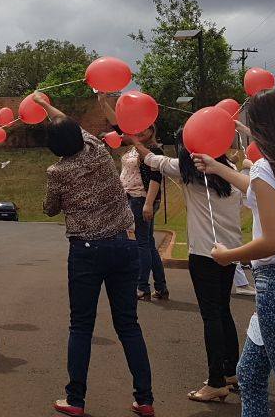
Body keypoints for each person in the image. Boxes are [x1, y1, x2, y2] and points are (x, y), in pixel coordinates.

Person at [193, 89, 275, 417]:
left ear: (262, 127)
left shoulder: (268, 169)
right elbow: (257, 188)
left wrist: (229, 255)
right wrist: (217, 167)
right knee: (250, 376)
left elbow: (273, 241)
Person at [36, 92, 153, 417]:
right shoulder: (98, 151)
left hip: (86, 251)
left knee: (81, 325)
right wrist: (46, 104)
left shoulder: (56, 172)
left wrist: (44, 108)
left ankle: (75, 399)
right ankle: (145, 399)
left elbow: (49, 209)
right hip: (124, 245)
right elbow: (70, 124)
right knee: (128, 324)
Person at [132, 130, 244, 402]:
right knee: (222, 310)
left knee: (212, 315)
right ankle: (232, 371)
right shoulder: (229, 171)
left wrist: (131, 139)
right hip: (230, 251)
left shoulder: (187, 171)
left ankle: (217, 380)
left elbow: (152, 159)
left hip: (205, 254)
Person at [97, 94, 168, 301]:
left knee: (141, 244)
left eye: (147, 128)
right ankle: (161, 287)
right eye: (140, 128)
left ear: (152, 130)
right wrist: (103, 103)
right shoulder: (134, 145)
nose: (142, 131)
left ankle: (142, 287)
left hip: (140, 199)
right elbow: (118, 124)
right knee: (148, 243)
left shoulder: (153, 149)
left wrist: (147, 203)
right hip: (131, 197)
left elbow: (156, 178)